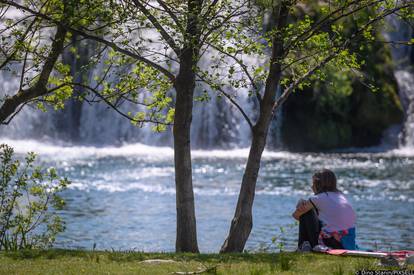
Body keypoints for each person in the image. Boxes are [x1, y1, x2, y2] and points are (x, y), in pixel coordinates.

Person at [292, 168, 356, 251]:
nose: (311, 187)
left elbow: (296, 216)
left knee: (307, 212)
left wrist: (301, 204)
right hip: (347, 243)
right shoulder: (340, 196)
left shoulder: (317, 198)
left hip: (332, 242)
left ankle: (303, 245)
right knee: (312, 211)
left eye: (313, 183)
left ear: (318, 184)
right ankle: (305, 245)